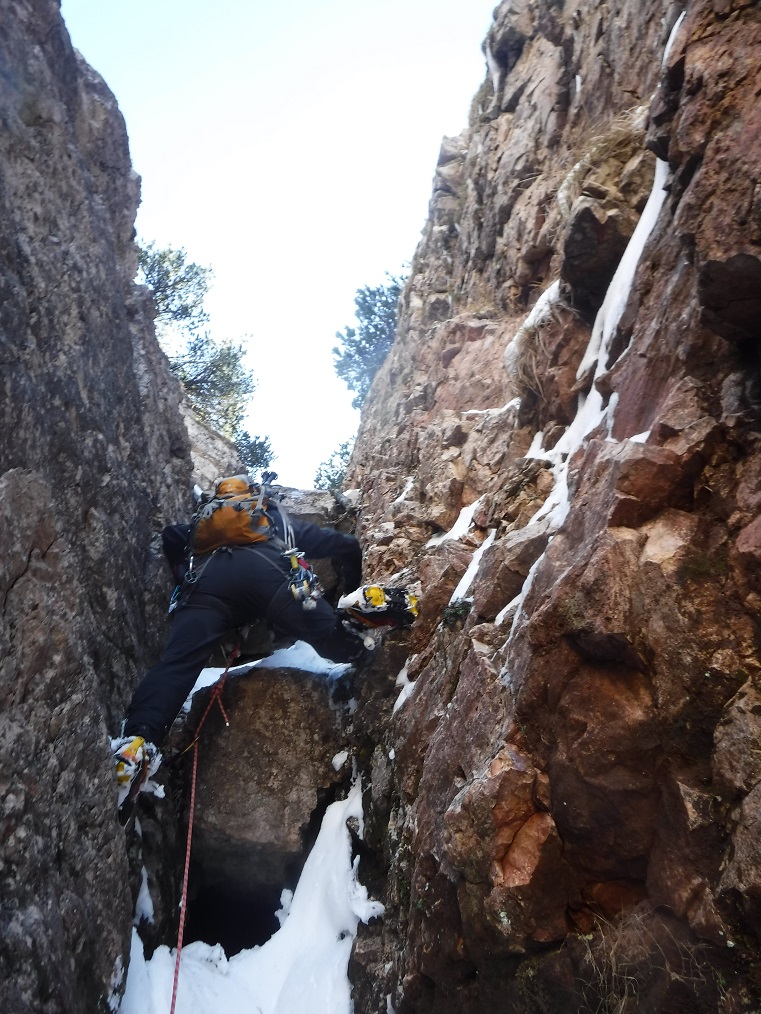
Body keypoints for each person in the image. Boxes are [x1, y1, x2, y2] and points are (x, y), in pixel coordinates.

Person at [112, 476, 370, 799]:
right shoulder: (270, 517)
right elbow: (342, 545)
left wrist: (182, 575)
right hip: (271, 577)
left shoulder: (204, 527)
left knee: (177, 666)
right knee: (332, 638)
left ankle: (136, 745)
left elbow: (171, 536)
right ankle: (362, 630)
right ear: (252, 496)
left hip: (207, 587)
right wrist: (351, 585)